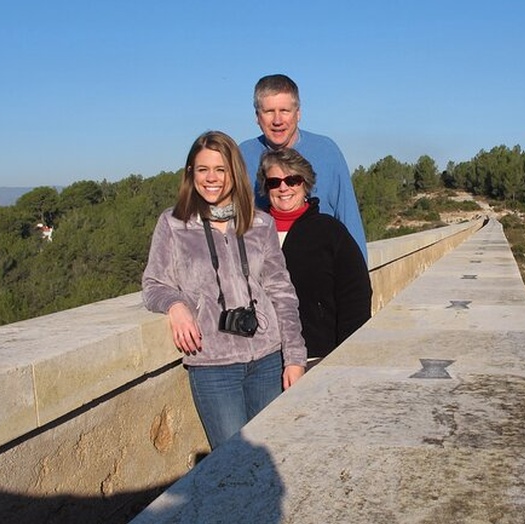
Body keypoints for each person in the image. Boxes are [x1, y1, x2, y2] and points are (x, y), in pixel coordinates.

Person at [142, 130, 306, 450]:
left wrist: (295, 358)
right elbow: (153, 284)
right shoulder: (174, 224)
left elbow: (281, 292)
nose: (212, 178)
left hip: (268, 358)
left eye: (221, 169)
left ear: (234, 172)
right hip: (213, 365)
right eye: (203, 169)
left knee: (273, 453)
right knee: (233, 460)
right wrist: (175, 305)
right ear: (191, 173)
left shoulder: (259, 223)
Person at [257, 147, 372, 364]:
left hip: (318, 356)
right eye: (274, 182)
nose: (284, 188)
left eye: (292, 180)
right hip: (264, 363)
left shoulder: (330, 232)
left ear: (305, 183)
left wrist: (345, 356)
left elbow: (356, 296)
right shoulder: (250, 232)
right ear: (266, 187)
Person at [240, 73, 369, 263]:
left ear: (298, 113)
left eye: (284, 110)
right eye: (269, 111)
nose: (277, 120)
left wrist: (360, 276)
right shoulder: (241, 156)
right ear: (257, 117)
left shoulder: (327, 151)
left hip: (321, 272)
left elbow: (348, 217)